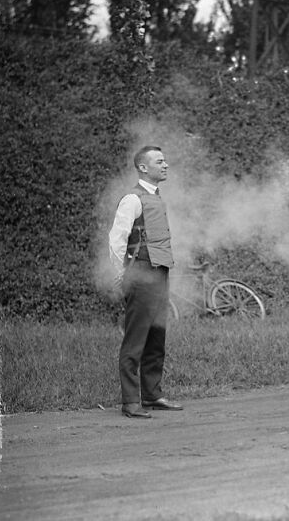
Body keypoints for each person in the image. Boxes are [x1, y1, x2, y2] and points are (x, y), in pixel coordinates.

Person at [109, 145, 183, 419]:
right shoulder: (132, 199)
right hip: (140, 272)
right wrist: (120, 273)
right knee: (135, 338)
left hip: (160, 271)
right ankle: (130, 402)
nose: (165, 165)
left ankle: (152, 394)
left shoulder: (157, 197)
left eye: (165, 160)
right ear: (143, 167)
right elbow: (116, 239)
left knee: (156, 335)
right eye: (159, 161)